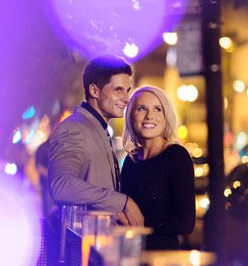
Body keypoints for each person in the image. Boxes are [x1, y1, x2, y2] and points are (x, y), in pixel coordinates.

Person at [48, 55, 144, 226]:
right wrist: (123, 202)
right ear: (94, 91)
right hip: (81, 247)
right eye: (118, 90)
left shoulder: (97, 129)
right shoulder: (75, 129)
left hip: (99, 243)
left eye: (127, 90)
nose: (126, 98)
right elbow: (61, 185)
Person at [121, 85, 196, 250]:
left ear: (166, 116)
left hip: (162, 261)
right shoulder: (130, 160)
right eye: (141, 109)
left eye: (157, 109)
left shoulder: (176, 155)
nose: (149, 116)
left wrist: (141, 220)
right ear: (130, 116)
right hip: (130, 255)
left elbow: (186, 223)